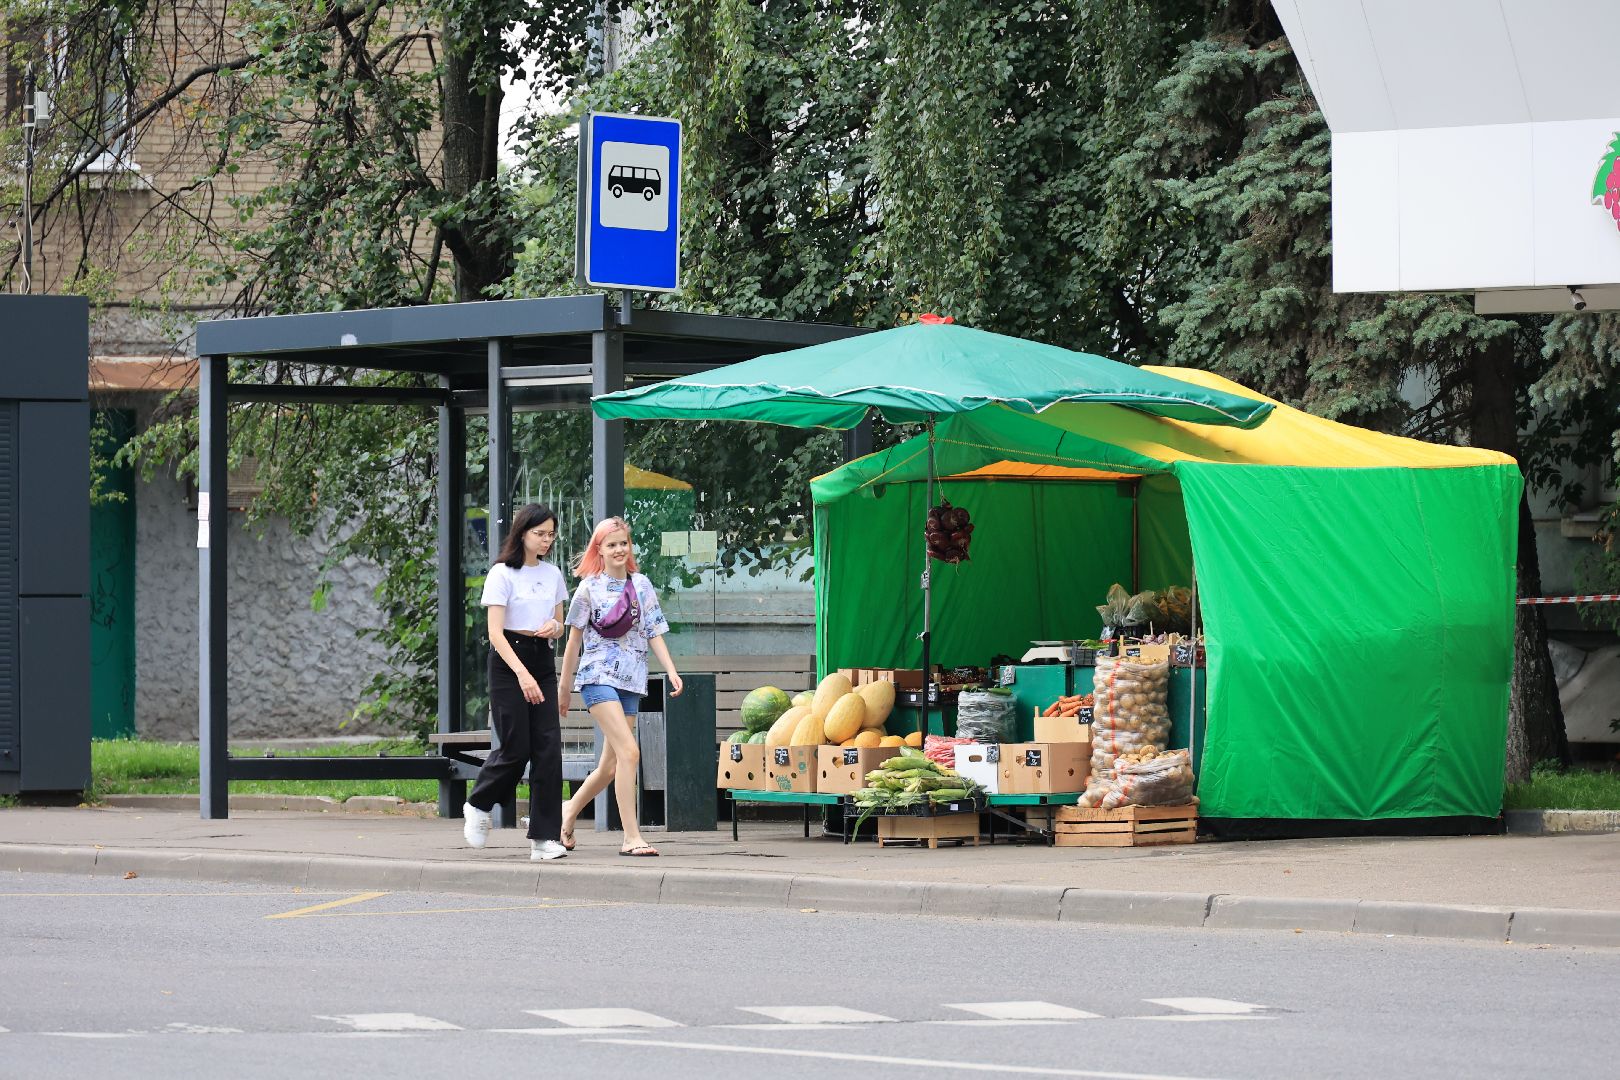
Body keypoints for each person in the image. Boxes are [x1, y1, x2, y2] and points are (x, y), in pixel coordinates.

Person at [557, 517, 683, 856]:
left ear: (630, 547)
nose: (618, 549)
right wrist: (564, 687)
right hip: (597, 678)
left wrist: (671, 671)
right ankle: (631, 837)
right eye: (611, 544)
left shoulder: (641, 585)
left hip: (632, 681)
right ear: (599, 550)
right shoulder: (588, 589)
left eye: (623, 543)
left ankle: (569, 811)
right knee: (630, 752)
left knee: (610, 767)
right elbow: (573, 642)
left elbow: (654, 631)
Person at [461, 503, 571, 861]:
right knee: (516, 746)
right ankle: (478, 804)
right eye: (540, 534)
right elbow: (495, 632)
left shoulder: (553, 574)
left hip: (541, 657)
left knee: (548, 748)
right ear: (522, 532)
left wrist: (556, 627)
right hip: (509, 661)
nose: (546, 540)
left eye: (551, 534)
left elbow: (559, 621)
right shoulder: (502, 574)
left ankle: (544, 838)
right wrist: (521, 674)